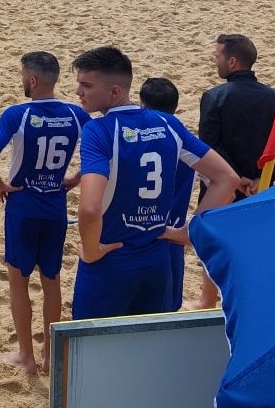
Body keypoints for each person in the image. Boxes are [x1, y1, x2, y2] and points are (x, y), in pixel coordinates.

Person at [71, 46, 240, 320]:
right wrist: (189, 230)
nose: (79, 92)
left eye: (86, 85)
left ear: (114, 92)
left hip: (112, 261)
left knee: (92, 354)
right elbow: (227, 179)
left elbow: (89, 209)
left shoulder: (97, 130)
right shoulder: (168, 123)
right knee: (148, 353)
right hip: (157, 260)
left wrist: (91, 252)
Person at [0, 52, 91, 374]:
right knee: (52, 282)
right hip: (55, 206)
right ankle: (50, 356)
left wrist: (0, 186)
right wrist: (73, 179)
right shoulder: (76, 115)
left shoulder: (17, 113)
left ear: (31, 80)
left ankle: (26, 357)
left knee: (18, 282)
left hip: (23, 208)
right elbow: (103, 155)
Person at [191, 34, 275, 309]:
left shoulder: (214, 96)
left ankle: (208, 299)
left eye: (218, 57)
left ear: (232, 61)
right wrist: (263, 179)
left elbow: (209, 144)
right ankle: (244, 299)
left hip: (222, 182)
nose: (216, 62)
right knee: (249, 241)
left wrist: (234, 179)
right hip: (259, 185)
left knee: (215, 237)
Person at [139, 77, 193, 312]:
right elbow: (223, 183)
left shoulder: (135, 141)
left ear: (142, 106)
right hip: (172, 234)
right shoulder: (188, 143)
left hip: (138, 233)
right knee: (168, 309)